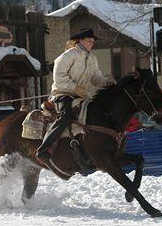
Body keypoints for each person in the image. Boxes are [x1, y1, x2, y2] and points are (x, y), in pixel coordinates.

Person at [36, 28, 116, 164]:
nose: (92, 44)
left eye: (93, 41)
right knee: (65, 116)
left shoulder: (92, 58)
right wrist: (75, 89)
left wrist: (107, 82)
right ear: (80, 40)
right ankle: (43, 149)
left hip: (81, 96)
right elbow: (59, 78)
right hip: (62, 95)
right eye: (89, 41)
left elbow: (96, 78)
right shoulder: (67, 56)